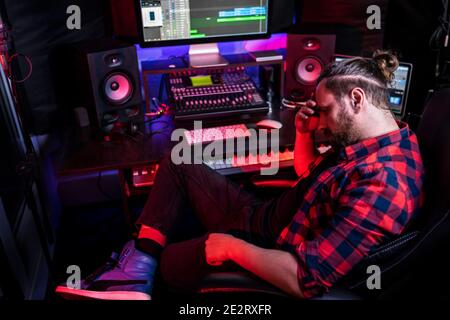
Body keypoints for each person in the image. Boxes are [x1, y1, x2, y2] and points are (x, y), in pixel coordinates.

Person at [55, 51, 425, 300]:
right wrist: (302, 131)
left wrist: (231, 247)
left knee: (169, 263)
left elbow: (305, 278)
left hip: (268, 245)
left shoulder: (384, 184)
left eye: (326, 111)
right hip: (266, 215)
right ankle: (136, 271)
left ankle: (142, 268)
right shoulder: (378, 142)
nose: (323, 122)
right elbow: (306, 174)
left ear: (356, 99)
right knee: (178, 157)